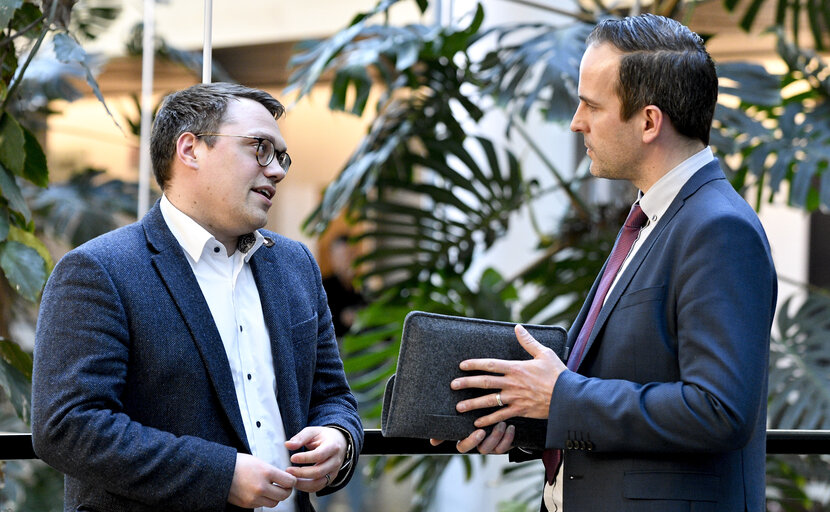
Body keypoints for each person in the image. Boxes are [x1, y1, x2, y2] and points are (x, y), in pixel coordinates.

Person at [438, 14, 777, 511]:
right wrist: (528, 419)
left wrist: (561, 399)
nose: (577, 121)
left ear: (648, 121)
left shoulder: (717, 228)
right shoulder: (655, 216)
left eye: (591, 105)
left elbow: (718, 410)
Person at [31, 82, 364, 512]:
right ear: (190, 150)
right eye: (260, 148)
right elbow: (67, 427)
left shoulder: (295, 264)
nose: (278, 170)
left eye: (281, 156)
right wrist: (220, 475)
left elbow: (333, 397)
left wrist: (339, 438)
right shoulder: (99, 270)